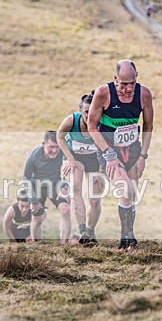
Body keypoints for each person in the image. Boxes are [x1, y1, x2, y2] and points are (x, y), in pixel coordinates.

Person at [88, 60, 154, 250]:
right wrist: (108, 154)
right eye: (124, 84)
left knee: (132, 195)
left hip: (133, 149)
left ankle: (129, 240)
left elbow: (148, 126)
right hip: (109, 150)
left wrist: (143, 156)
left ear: (137, 77)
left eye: (132, 83)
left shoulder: (144, 94)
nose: (128, 89)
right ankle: (126, 238)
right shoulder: (103, 93)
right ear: (115, 79)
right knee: (125, 191)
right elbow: (92, 126)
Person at [56, 93, 104, 245]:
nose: (90, 114)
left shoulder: (104, 122)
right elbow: (59, 136)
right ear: (80, 111)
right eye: (86, 111)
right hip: (75, 156)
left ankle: (90, 230)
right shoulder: (72, 120)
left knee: (95, 199)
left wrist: (104, 164)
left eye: (93, 110)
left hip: (95, 159)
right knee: (75, 188)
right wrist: (69, 159)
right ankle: (82, 230)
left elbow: (111, 142)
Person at [21, 131, 71, 243]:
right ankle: (37, 245)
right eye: (51, 147)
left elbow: (69, 169)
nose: (55, 150)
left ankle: (65, 246)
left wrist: (64, 186)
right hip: (37, 187)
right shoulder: (34, 156)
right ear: (43, 144)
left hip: (55, 184)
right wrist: (33, 200)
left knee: (66, 210)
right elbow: (25, 178)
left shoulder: (63, 152)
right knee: (37, 219)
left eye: (57, 147)